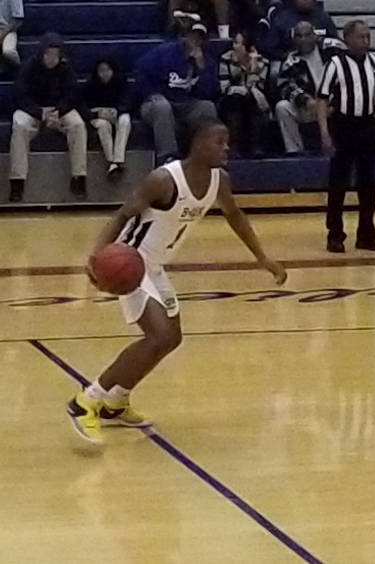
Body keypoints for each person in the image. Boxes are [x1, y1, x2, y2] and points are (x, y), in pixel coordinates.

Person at [66, 117, 287, 444]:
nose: (226, 148)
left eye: (227, 142)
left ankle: (115, 402)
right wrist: (96, 255)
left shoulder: (219, 181)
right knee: (158, 336)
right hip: (131, 262)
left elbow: (235, 216)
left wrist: (262, 258)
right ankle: (86, 401)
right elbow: (124, 215)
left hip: (155, 266)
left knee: (171, 338)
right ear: (197, 144)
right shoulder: (163, 179)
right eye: (219, 141)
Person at [317, 20, 375, 253]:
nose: (366, 41)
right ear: (347, 39)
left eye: (368, 36)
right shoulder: (335, 64)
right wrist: (325, 134)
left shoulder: (374, 63)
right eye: (361, 37)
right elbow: (322, 99)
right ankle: (335, 235)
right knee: (338, 183)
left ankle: (367, 235)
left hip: (367, 127)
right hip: (343, 126)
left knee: (368, 185)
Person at [9, 33, 87, 203]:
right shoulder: (28, 67)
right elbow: (20, 96)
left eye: (55, 55)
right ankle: (17, 180)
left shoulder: (66, 69)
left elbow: (72, 95)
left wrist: (58, 111)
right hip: (33, 111)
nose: (52, 59)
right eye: (48, 54)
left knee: (78, 125)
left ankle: (79, 177)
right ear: (41, 54)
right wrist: (39, 112)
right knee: (19, 125)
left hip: (59, 111)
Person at [136, 21, 219, 165]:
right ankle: (168, 157)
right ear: (185, 37)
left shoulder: (207, 60)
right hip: (156, 102)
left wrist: (202, 67)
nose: (196, 41)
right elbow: (141, 73)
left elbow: (210, 92)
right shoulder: (164, 52)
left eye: (200, 38)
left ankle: (203, 154)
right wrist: (155, 93)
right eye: (193, 37)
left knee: (207, 107)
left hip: (185, 104)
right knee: (162, 106)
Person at [275, 21, 345, 154]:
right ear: (294, 39)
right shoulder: (291, 60)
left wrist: (333, 104)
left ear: (314, 35)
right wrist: (305, 101)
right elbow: (285, 86)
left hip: (336, 105)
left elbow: (348, 76)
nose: (303, 40)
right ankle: (295, 151)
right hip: (310, 108)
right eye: (299, 36)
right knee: (282, 107)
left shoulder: (332, 49)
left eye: (307, 35)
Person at [218, 32, 270, 157]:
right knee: (236, 98)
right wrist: (239, 71)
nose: (234, 47)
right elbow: (224, 88)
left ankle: (255, 147)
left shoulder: (263, 62)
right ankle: (234, 146)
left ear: (249, 48)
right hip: (230, 100)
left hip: (253, 101)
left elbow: (259, 90)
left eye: (238, 43)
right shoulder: (225, 59)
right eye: (234, 43)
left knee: (252, 100)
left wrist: (252, 71)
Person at [84, 59, 133, 181]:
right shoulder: (90, 85)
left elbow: (128, 102)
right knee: (103, 125)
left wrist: (118, 110)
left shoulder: (121, 82)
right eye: (101, 70)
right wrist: (97, 112)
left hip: (116, 113)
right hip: (97, 117)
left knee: (125, 120)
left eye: (108, 70)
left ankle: (118, 160)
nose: (105, 73)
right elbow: (83, 107)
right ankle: (111, 160)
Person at [259, 0, 337, 60]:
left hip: (322, 65)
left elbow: (335, 43)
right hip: (291, 67)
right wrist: (286, 56)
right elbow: (269, 48)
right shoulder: (282, 19)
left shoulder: (323, 17)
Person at [0, 0, 23, 71]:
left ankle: (21, 70)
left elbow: (17, 20)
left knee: (8, 51)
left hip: (8, 30)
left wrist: (2, 35)